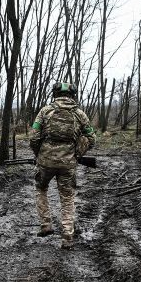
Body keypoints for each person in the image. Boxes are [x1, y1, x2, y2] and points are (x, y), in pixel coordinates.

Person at [29, 82, 96, 249]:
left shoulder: (45, 111)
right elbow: (92, 138)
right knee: (67, 197)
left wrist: (39, 154)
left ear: (55, 94)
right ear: (73, 96)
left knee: (41, 188)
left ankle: (46, 224)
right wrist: (77, 153)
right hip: (68, 163)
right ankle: (67, 237)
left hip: (45, 161)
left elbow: (34, 137)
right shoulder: (80, 114)